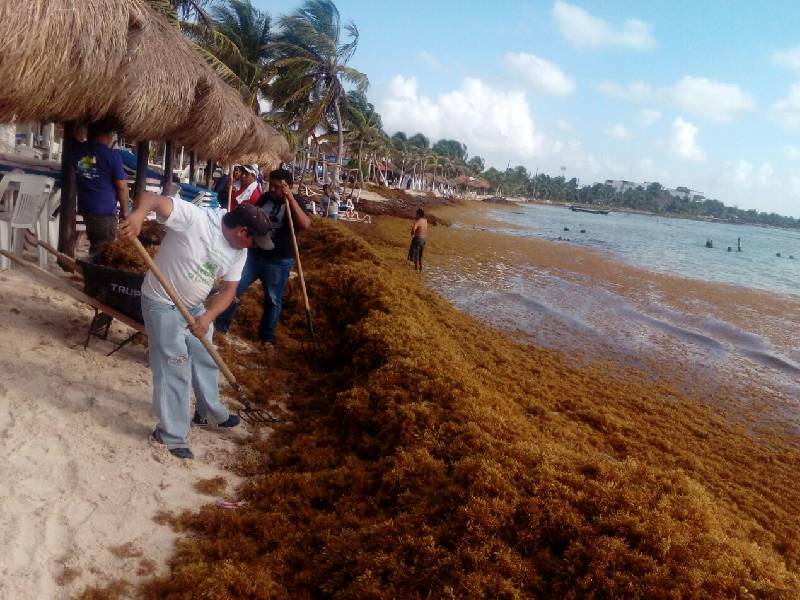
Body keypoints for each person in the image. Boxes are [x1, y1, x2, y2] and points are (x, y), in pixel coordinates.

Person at [119, 194, 273, 459]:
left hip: (195, 308)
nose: (255, 247)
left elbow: (229, 290)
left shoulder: (240, 251)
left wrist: (208, 317)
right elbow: (152, 199)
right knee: (174, 365)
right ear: (242, 231)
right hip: (162, 303)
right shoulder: (195, 218)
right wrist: (138, 216)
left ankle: (208, 413)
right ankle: (171, 435)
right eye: (254, 240)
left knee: (205, 356)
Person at [215, 168, 311, 349]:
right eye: (270, 185)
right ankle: (220, 325)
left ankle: (267, 337)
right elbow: (252, 215)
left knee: (273, 300)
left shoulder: (296, 201)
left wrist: (290, 199)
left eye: (276, 187)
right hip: (254, 255)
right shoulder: (265, 198)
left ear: (288, 187)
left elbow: (305, 225)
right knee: (235, 288)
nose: (272, 189)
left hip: (278, 260)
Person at [73, 119, 129, 255]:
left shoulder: (78, 151)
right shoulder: (111, 156)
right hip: (105, 212)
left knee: (96, 246)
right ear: (107, 135)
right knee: (105, 251)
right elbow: (122, 187)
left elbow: (76, 136)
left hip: (87, 209)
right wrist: (125, 211)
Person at [408, 208, 428, 272]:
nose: (415, 215)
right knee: (420, 254)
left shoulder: (418, 221)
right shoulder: (425, 221)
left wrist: (412, 234)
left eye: (416, 214)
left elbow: (414, 228)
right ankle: (421, 267)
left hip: (418, 238)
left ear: (418, 214)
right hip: (423, 239)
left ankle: (416, 268)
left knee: (416, 254)